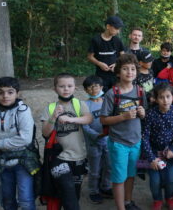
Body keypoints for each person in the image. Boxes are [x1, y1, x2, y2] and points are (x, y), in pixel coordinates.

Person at [0, 77, 40, 210]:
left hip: (23, 161)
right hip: (1, 160)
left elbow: (25, 138)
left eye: (10, 92)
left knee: (25, 199)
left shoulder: (23, 111)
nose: (5, 96)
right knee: (7, 199)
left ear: (17, 93)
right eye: (0, 92)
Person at [100, 54, 147, 210]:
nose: (129, 72)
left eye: (133, 69)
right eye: (125, 69)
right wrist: (123, 116)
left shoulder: (140, 91)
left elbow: (144, 113)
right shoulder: (111, 94)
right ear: (118, 72)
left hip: (136, 141)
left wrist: (142, 113)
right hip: (118, 142)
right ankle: (121, 207)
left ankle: (128, 202)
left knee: (131, 175)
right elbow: (103, 120)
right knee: (119, 178)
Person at [41, 73, 94, 210]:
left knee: (74, 193)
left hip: (79, 156)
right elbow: (45, 133)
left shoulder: (79, 104)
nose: (66, 89)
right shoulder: (50, 107)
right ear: (55, 89)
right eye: (62, 86)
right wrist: (54, 117)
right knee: (68, 189)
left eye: (69, 86)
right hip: (59, 157)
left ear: (74, 88)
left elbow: (88, 119)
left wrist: (72, 119)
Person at [142, 83, 173, 210]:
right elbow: (145, 137)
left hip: (170, 153)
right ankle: (157, 200)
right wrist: (151, 158)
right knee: (155, 181)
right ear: (155, 98)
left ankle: (170, 198)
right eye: (161, 97)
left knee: (170, 179)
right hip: (153, 153)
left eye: (168, 96)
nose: (165, 100)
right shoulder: (150, 114)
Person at [81, 75, 113, 203]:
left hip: (109, 141)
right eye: (90, 87)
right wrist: (96, 135)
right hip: (93, 143)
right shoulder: (84, 105)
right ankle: (93, 191)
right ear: (86, 90)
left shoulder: (107, 100)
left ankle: (105, 187)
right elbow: (84, 126)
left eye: (96, 86)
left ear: (101, 87)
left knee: (109, 166)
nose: (94, 89)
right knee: (94, 170)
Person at [87, 15, 126, 92]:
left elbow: (123, 56)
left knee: (116, 96)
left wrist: (116, 64)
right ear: (108, 26)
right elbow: (90, 57)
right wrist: (99, 63)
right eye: (116, 28)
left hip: (115, 75)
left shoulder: (117, 40)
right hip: (101, 76)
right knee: (102, 98)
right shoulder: (96, 40)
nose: (118, 31)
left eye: (119, 29)